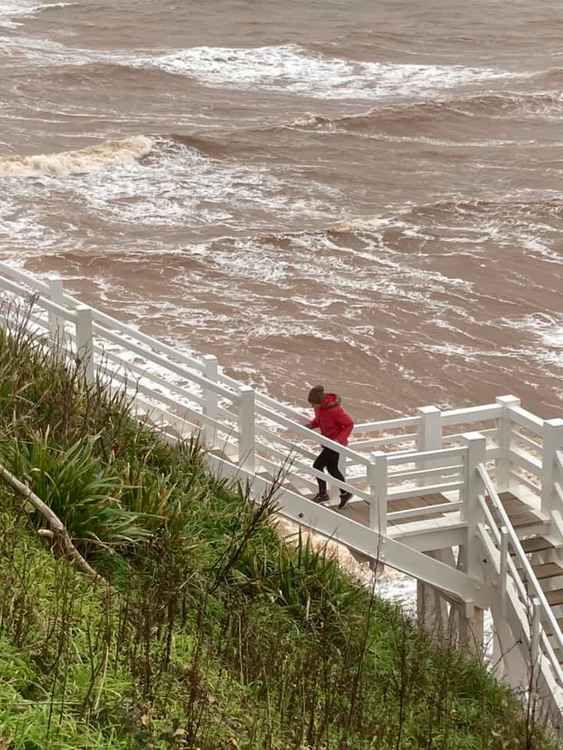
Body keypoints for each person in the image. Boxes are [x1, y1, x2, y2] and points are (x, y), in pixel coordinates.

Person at [306, 384, 354, 508]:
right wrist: (311, 425)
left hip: (334, 444)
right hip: (327, 442)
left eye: (313, 404)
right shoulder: (319, 408)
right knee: (332, 469)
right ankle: (345, 493)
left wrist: (339, 440)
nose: (312, 406)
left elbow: (349, 424)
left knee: (317, 466)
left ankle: (323, 494)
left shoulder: (335, 410)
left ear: (320, 402)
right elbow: (319, 419)